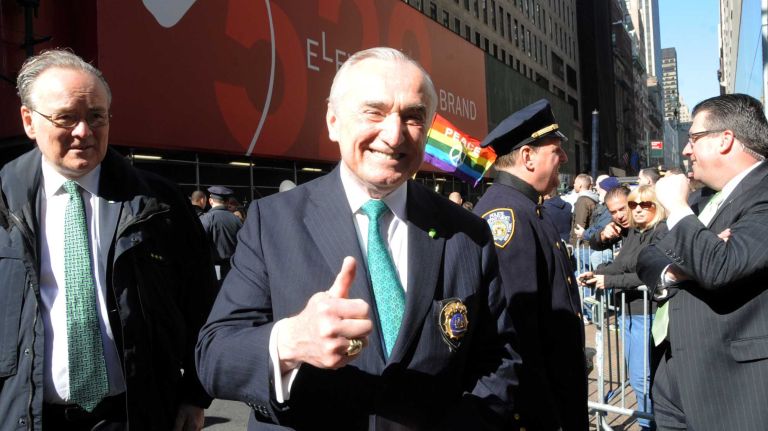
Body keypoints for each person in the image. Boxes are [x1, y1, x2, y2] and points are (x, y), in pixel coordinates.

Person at [195, 47, 520, 430]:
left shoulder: (468, 233)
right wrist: (291, 341)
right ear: (333, 121)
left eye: (413, 116)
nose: (394, 134)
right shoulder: (273, 222)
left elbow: (500, 360)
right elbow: (214, 356)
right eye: (374, 112)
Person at [0, 49, 217, 429]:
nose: (84, 132)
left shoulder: (159, 203)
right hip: (26, 415)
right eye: (66, 117)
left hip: (134, 414)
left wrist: (194, 395)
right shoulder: (4, 201)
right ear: (29, 121)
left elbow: (202, 302)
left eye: (96, 116)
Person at [637, 93, 768, 431]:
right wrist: (677, 270)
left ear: (725, 139)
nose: (686, 150)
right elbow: (648, 255)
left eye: (693, 138)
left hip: (733, 386)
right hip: (673, 376)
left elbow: (720, 267)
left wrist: (677, 208)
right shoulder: (702, 200)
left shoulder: (762, 192)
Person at [474, 98, 588, 431]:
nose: (563, 158)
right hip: (540, 409)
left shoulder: (526, 207)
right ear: (527, 156)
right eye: (556, 150)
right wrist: (546, 416)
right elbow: (518, 331)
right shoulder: (506, 215)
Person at [580, 185, 667, 431]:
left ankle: (650, 425)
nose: (633, 211)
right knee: (639, 377)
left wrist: (608, 281)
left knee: (642, 377)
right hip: (628, 312)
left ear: (656, 206)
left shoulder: (660, 231)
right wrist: (596, 274)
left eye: (643, 205)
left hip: (647, 312)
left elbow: (648, 274)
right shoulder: (631, 232)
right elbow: (615, 260)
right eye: (632, 206)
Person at [200, 185, 243, 283]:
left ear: (210, 201)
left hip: (215, 270)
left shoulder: (207, 218)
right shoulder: (237, 219)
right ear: (227, 202)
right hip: (234, 268)